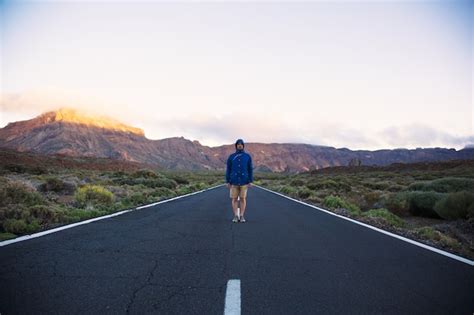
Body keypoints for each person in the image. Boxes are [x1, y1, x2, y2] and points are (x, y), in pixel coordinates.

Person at [225, 139, 253, 223]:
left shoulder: (247, 156)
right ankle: (235, 216)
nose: (240, 145)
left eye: (241, 144)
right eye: (238, 144)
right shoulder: (231, 157)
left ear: (243, 146)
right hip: (233, 181)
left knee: (243, 198)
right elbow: (228, 169)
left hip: (244, 181)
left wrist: (250, 180)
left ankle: (242, 216)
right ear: (236, 146)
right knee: (234, 199)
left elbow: (250, 169)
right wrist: (227, 181)